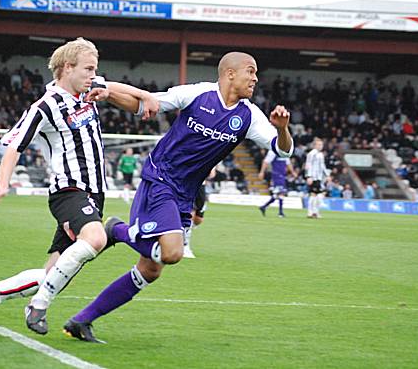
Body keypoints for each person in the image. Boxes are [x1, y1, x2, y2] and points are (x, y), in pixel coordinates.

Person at [62, 51, 293, 343]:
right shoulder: (197, 94)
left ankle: (82, 320)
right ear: (230, 73)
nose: (256, 78)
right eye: (251, 71)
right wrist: (109, 95)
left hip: (185, 193)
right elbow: (146, 103)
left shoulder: (248, 115)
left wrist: (282, 129)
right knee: (172, 253)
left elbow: (283, 150)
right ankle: (117, 230)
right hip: (160, 179)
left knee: (150, 269)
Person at [0, 37, 157, 338]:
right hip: (68, 191)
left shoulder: (87, 89)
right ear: (67, 67)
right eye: (88, 69)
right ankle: (38, 306)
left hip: (94, 194)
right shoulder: (45, 107)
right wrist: (1, 185)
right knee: (96, 238)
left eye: (94, 69)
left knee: (55, 272)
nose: (93, 75)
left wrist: (144, 95)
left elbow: (113, 87)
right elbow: (14, 147)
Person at [183, 167, 216, 259]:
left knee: (198, 220)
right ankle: (185, 245)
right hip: (189, 185)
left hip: (201, 186)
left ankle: (184, 229)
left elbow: (212, 175)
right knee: (190, 214)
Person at [258, 149, 294, 217]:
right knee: (281, 192)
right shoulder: (273, 151)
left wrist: (293, 172)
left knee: (277, 194)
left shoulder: (285, 151)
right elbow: (266, 162)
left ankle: (263, 207)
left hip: (282, 175)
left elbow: (288, 163)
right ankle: (280, 212)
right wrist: (262, 172)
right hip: (277, 175)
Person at [305, 137, 329, 219]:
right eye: (318, 144)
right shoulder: (312, 154)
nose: (320, 146)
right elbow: (308, 165)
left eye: (321, 144)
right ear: (314, 146)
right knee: (314, 194)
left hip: (319, 178)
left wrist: (327, 175)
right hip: (313, 177)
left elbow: (322, 166)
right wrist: (309, 176)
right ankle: (311, 212)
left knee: (318, 194)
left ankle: (314, 212)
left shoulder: (320, 154)